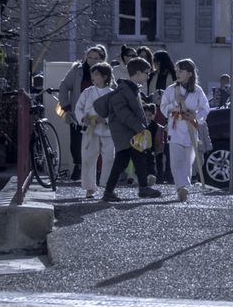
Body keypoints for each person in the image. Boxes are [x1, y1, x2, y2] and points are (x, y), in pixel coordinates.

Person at [101, 57, 163, 202]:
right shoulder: (124, 90)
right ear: (138, 73)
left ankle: (138, 188)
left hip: (128, 132)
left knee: (131, 159)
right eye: (146, 73)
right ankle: (136, 189)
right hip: (126, 132)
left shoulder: (131, 89)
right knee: (124, 160)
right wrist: (139, 127)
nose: (148, 76)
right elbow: (124, 114)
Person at [160, 58, 211, 202]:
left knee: (187, 161)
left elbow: (205, 108)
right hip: (175, 128)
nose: (177, 73)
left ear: (189, 73)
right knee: (176, 161)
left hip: (190, 128)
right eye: (176, 71)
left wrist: (195, 115)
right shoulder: (171, 90)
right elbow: (163, 108)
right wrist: (176, 102)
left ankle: (184, 187)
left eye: (180, 71)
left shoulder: (197, 91)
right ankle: (181, 188)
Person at [58, 44, 107, 182]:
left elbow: (112, 89)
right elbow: (64, 86)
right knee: (76, 143)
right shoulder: (77, 70)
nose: (92, 60)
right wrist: (66, 107)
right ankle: (78, 166)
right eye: (90, 57)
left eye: (96, 58)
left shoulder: (107, 72)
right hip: (79, 113)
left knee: (99, 143)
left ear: (102, 59)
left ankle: (97, 171)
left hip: (99, 114)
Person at [74, 62, 116, 199]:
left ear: (105, 76)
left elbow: (116, 112)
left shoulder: (112, 93)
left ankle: (107, 186)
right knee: (88, 158)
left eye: (97, 74)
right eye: (93, 73)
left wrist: (106, 120)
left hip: (107, 130)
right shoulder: (87, 92)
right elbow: (78, 108)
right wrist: (82, 119)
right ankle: (90, 187)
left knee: (109, 158)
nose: (93, 76)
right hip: (90, 128)